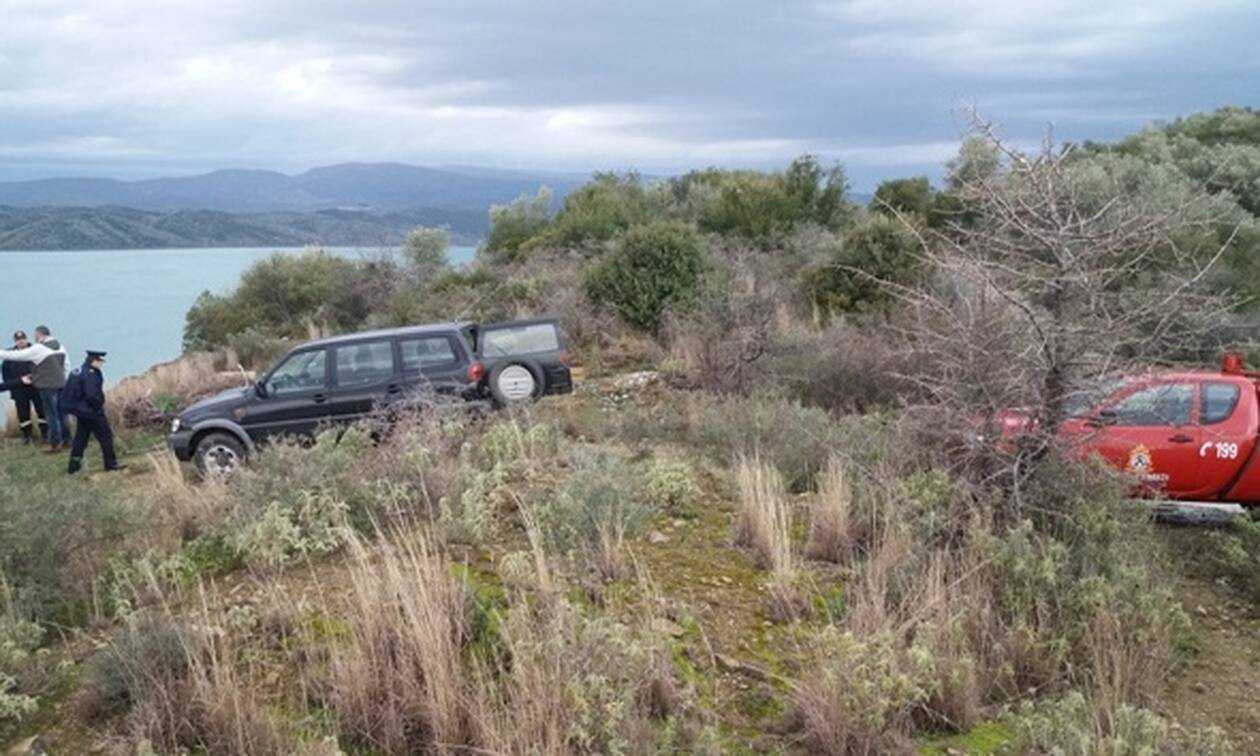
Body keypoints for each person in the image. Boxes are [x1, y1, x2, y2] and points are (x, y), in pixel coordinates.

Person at [62, 350, 126, 475]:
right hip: (91, 411)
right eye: (100, 361)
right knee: (106, 436)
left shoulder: (77, 371)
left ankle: (73, 467)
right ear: (94, 361)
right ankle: (111, 464)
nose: (102, 364)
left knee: (81, 439)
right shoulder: (90, 374)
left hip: (80, 411)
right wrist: (98, 406)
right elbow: (92, 395)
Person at [0, 331, 48, 445]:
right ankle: (27, 436)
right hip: (19, 389)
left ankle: (45, 434)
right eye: (18, 340)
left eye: (23, 339)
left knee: (42, 410)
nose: (21, 341)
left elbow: (45, 368)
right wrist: (13, 387)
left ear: (26, 339)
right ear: (15, 341)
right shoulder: (9, 355)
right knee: (23, 413)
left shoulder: (36, 351)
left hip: (36, 387)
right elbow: (6, 375)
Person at [31, 326, 69, 451]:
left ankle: (56, 442)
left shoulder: (41, 349)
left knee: (51, 414)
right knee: (62, 413)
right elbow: (66, 365)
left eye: (36, 335)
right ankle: (67, 440)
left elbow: (35, 367)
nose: (35, 338)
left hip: (47, 385)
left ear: (41, 335)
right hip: (61, 383)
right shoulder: (61, 347)